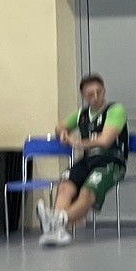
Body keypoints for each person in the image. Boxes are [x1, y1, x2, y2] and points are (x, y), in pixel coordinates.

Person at [39, 75, 130, 247]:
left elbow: (105, 141)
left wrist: (80, 143)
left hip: (111, 161)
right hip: (88, 160)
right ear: (83, 96)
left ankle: (57, 221)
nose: (95, 97)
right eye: (90, 94)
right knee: (65, 185)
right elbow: (60, 127)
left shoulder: (115, 110)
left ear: (104, 91)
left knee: (87, 191)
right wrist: (63, 133)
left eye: (99, 92)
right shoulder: (81, 113)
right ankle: (57, 231)